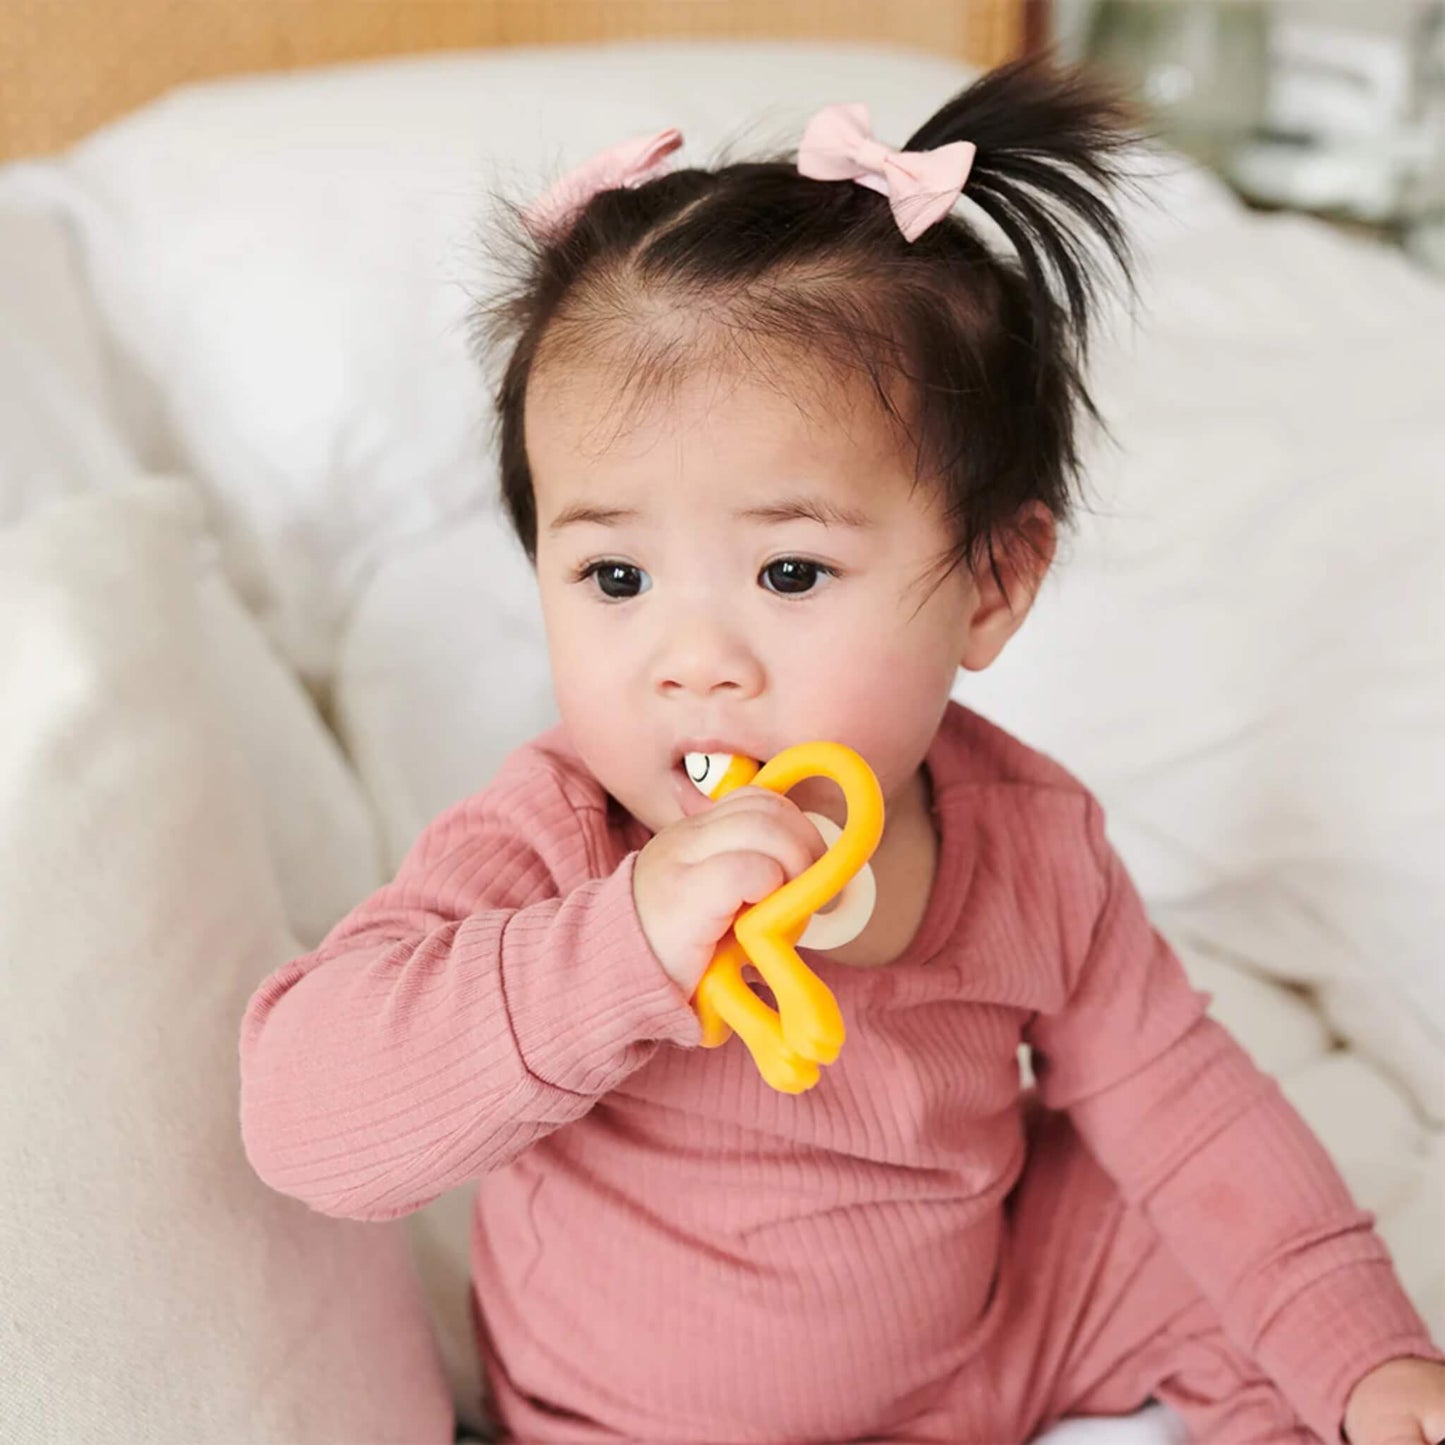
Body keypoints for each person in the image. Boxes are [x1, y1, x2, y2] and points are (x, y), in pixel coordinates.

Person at [239, 57, 1445, 1444]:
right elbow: (304, 1122)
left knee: (1199, 1241)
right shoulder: (557, 840)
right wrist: (621, 945)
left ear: (990, 582)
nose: (694, 658)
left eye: (791, 573)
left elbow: (1182, 1101)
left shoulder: (1029, 840)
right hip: (638, 1416)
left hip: (987, 1334)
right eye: (615, 579)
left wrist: (1361, 1351)